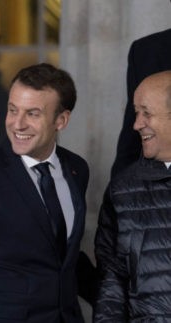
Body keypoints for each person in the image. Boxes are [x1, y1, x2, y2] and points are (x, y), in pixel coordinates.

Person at [0, 63, 89, 323]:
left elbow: (65, 257)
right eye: (12, 110)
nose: (17, 124)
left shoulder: (77, 169)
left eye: (32, 113)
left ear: (61, 120)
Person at [94, 70, 171, 322]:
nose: (137, 124)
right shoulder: (123, 190)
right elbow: (112, 280)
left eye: (146, 112)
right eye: (136, 112)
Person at [111, 28, 171, 177]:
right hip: (155, 186)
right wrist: (115, 196)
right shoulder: (147, 50)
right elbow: (131, 137)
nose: (138, 124)